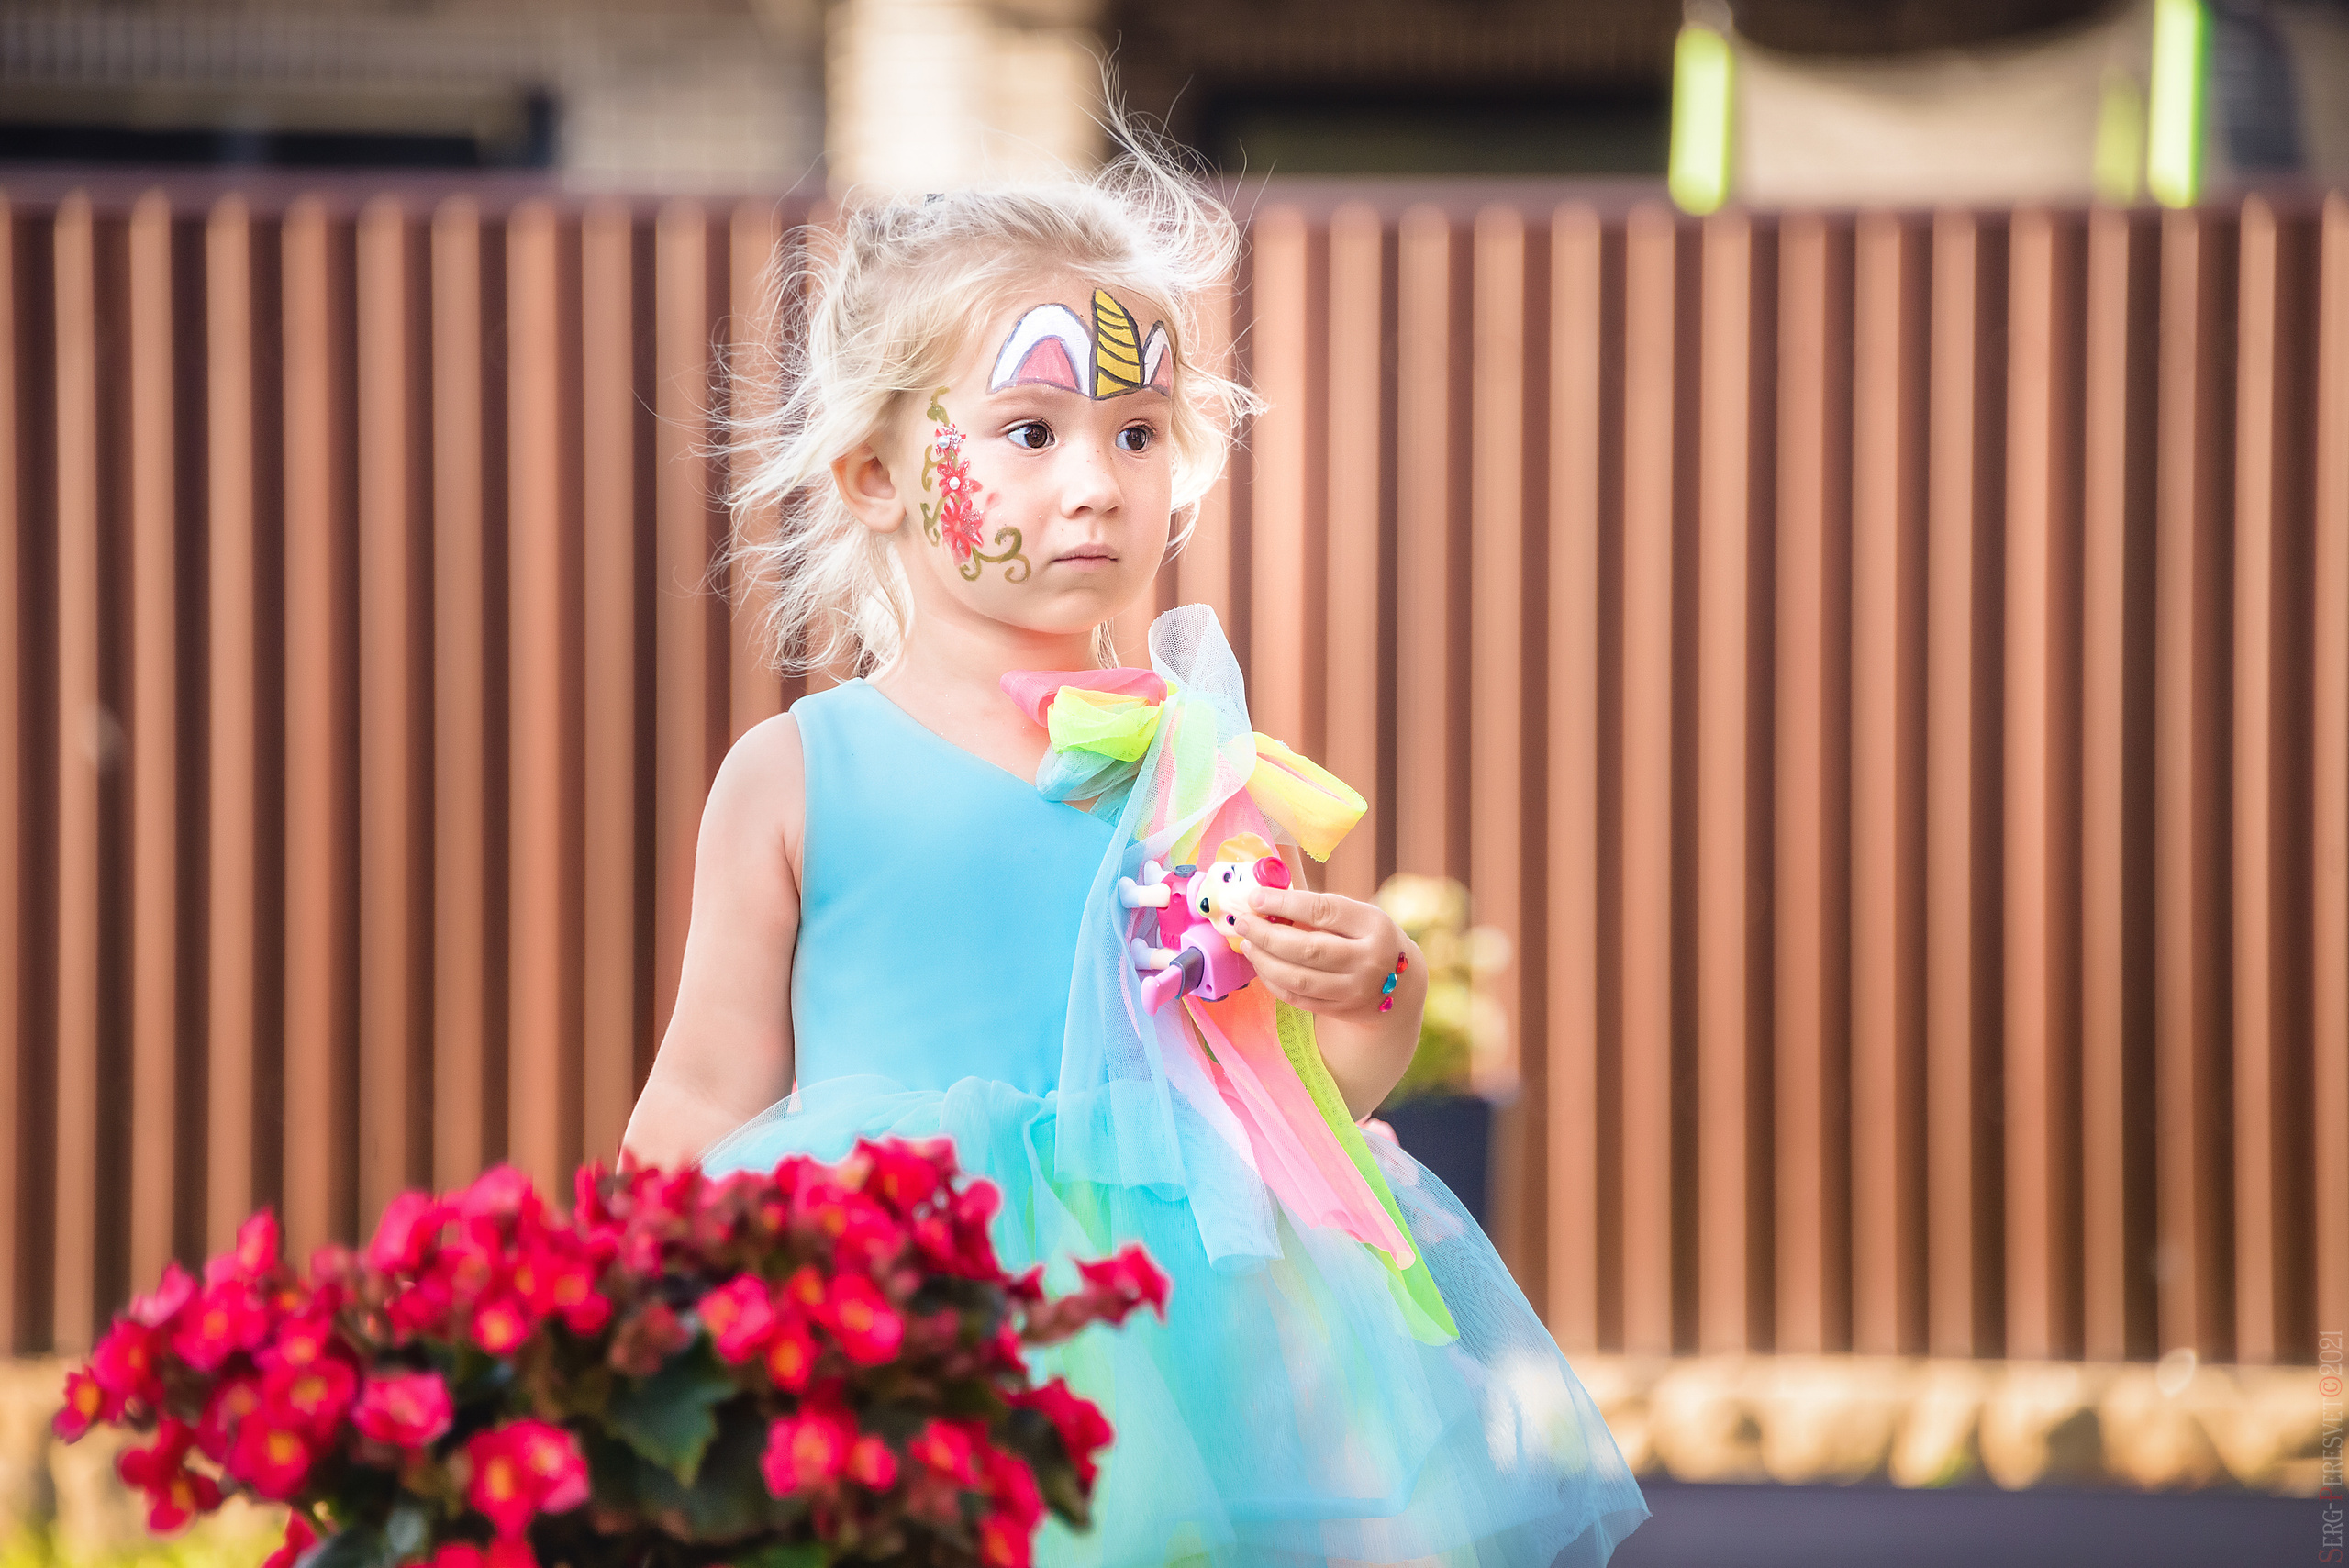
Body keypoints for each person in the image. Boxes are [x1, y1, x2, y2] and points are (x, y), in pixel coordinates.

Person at [619, 126, 1647, 1567]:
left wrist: (1373, 985)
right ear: (872, 474)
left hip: (1181, 1337)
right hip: (896, 1323)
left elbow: (1286, 1103)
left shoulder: (1197, 771)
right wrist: (623, 1334)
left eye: (1140, 432)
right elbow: (702, 1094)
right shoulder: (798, 773)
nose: (1099, 482)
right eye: (1032, 433)